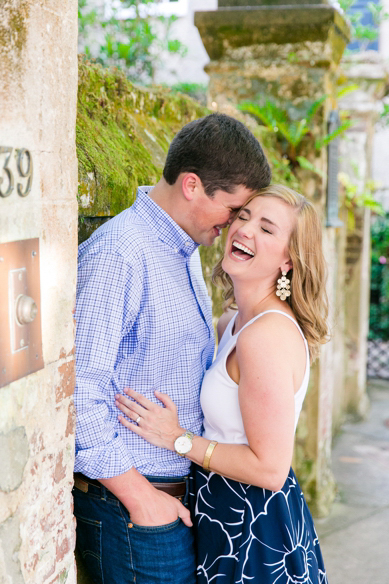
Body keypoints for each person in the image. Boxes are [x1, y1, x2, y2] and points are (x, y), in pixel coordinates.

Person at [72, 112, 271, 584]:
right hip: (132, 509)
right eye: (234, 210)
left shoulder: (180, 251)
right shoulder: (120, 253)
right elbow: (79, 389)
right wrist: (141, 498)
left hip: (170, 501)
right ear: (192, 186)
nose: (236, 225)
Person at [115, 184, 330, 584]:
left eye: (267, 229)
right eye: (244, 217)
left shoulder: (264, 337)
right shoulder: (231, 321)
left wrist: (177, 439)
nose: (245, 230)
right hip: (222, 511)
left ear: (289, 260)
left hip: (255, 526)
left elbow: (270, 470)